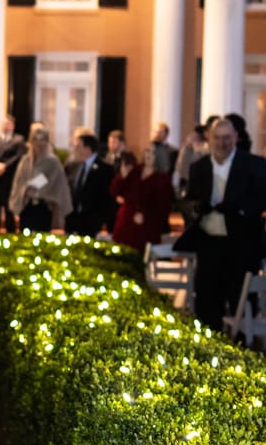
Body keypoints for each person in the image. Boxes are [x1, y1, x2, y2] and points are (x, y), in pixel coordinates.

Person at [173, 116, 266, 330]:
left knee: (240, 303)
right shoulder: (199, 167)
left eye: (227, 138)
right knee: (206, 300)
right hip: (209, 244)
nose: (222, 143)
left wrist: (239, 208)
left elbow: (261, 200)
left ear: (235, 137)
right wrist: (196, 208)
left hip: (241, 244)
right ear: (209, 138)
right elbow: (188, 202)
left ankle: (242, 350)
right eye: (217, 138)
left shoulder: (253, 165)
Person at [9, 125, 72, 233]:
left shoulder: (53, 161)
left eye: (42, 140)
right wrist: (24, 190)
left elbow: (56, 182)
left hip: (45, 207)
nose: (39, 143)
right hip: (27, 206)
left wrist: (38, 189)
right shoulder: (25, 160)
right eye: (35, 139)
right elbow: (18, 182)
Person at [109, 146, 174, 251]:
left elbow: (163, 208)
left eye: (153, 153)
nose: (148, 155)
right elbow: (115, 191)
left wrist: (146, 217)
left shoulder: (163, 179)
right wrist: (123, 176)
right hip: (125, 224)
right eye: (147, 151)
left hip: (146, 228)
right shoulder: (135, 171)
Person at [64, 131, 114, 237]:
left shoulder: (104, 169)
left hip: (91, 225)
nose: (75, 150)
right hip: (72, 222)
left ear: (87, 148)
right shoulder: (72, 167)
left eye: (78, 147)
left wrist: (98, 221)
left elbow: (105, 199)